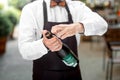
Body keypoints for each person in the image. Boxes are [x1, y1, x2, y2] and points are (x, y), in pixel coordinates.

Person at [18, 0, 108, 80]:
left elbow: (102, 25)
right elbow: (24, 51)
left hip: (73, 73)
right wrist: (43, 44)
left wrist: (78, 26)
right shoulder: (31, 9)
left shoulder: (77, 7)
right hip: (43, 75)